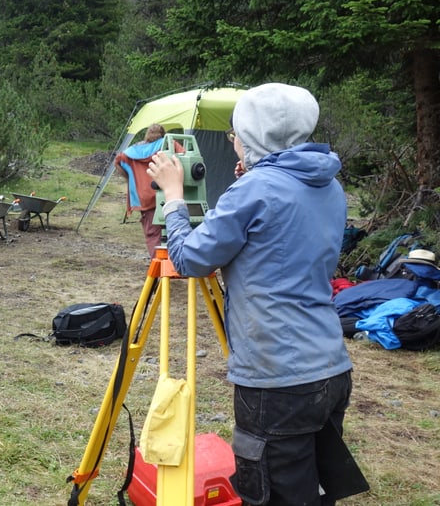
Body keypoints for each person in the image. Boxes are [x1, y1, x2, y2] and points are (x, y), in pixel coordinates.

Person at [146, 83, 363, 505]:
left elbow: (190, 259)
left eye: (236, 134)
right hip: (330, 367)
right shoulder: (329, 186)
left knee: (275, 494)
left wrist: (173, 197)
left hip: (277, 379)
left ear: (252, 136)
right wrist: (254, 175)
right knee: (312, 488)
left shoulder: (256, 190)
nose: (234, 141)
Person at [115, 123, 182, 258]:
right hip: (168, 192)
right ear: (162, 134)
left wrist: (130, 177)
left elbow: (118, 161)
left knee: (153, 234)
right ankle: (175, 264)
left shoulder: (132, 152)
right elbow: (185, 156)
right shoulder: (170, 144)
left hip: (144, 198)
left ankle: (158, 267)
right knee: (175, 228)